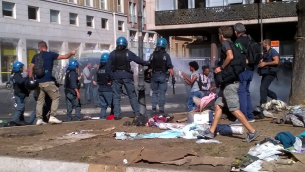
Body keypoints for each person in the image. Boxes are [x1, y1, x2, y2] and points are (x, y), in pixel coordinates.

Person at [202, 26, 260, 142]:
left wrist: (221, 68)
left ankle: (252, 132)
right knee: (218, 106)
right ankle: (211, 132)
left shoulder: (225, 44)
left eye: (219, 35)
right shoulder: (233, 44)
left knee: (234, 109)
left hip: (230, 83)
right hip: (227, 82)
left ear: (221, 35)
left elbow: (230, 56)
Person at [29, 41, 76, 125]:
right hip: (48, 81)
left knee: (40, 101)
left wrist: (31, 79)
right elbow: (65, 56)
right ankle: (52, 116)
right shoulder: (50, 54)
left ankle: (39, 119)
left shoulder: (35, 56)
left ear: (39, 48)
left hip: (38, 83)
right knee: (56, 97)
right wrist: (71, 53)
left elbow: (30, 68)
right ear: (46, 47)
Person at [106, 36, 149, 120]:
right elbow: (138, 60)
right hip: (126, 76)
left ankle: (117, 115)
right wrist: (146, 63)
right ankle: (137, 113)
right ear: (125, 44)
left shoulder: (113, 54)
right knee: (132, 95)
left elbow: (108, 68)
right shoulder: (128, 53)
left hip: (116, 76)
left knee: (116, 97)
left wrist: (111, 76)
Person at [231, 23, 255, 125]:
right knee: (247, 92)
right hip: (251, 69)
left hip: (243, 70)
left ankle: (243, 117)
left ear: (236, 32)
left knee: (241, 93)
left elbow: (237, 56)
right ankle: (250, 116)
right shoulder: (250, 39)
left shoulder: (238, 41)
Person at [148, 38, 175, 113]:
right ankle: (161, 109)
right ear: (164, 45)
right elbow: (170, 68)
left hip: (154, 75)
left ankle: (153, 107)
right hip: (163, 75)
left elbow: (149, 66)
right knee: (162, 93)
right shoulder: (166, 55)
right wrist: (173, 77)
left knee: (154, 92)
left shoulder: (152, 55)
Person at [259, 39, 279, 108]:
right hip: (265, 73)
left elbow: (276, 61)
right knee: (263, 89)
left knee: (262, 88)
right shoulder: (265, 52)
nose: (262, 44)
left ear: (266, 44)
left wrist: (265, 63)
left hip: (271, 73)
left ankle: (263, 105)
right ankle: (274, 97)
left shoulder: (273, 51)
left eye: (263, 43)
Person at [96, 53, 113, 119]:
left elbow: (97, 80)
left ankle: (102, 118)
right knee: (112, 104)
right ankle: (113, 117)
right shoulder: (108, 69)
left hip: (100, 88)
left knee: (103, 106)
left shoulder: (99, 70)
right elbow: (111, 78)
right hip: (108, 89)